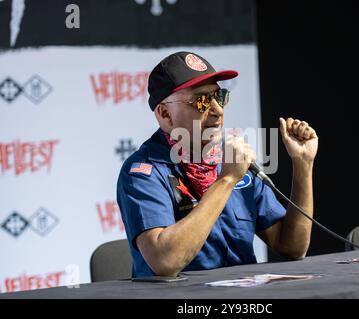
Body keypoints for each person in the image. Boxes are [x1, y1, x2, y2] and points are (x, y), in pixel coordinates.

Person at [117, 51, 319, 277]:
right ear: (165, 114)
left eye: (219, 96)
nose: (218, 111)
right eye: (202, 100)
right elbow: (165, 261)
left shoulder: (232, 158)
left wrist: (303, 164)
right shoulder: (143, 172)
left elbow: (292, 246)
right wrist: (226, 180)